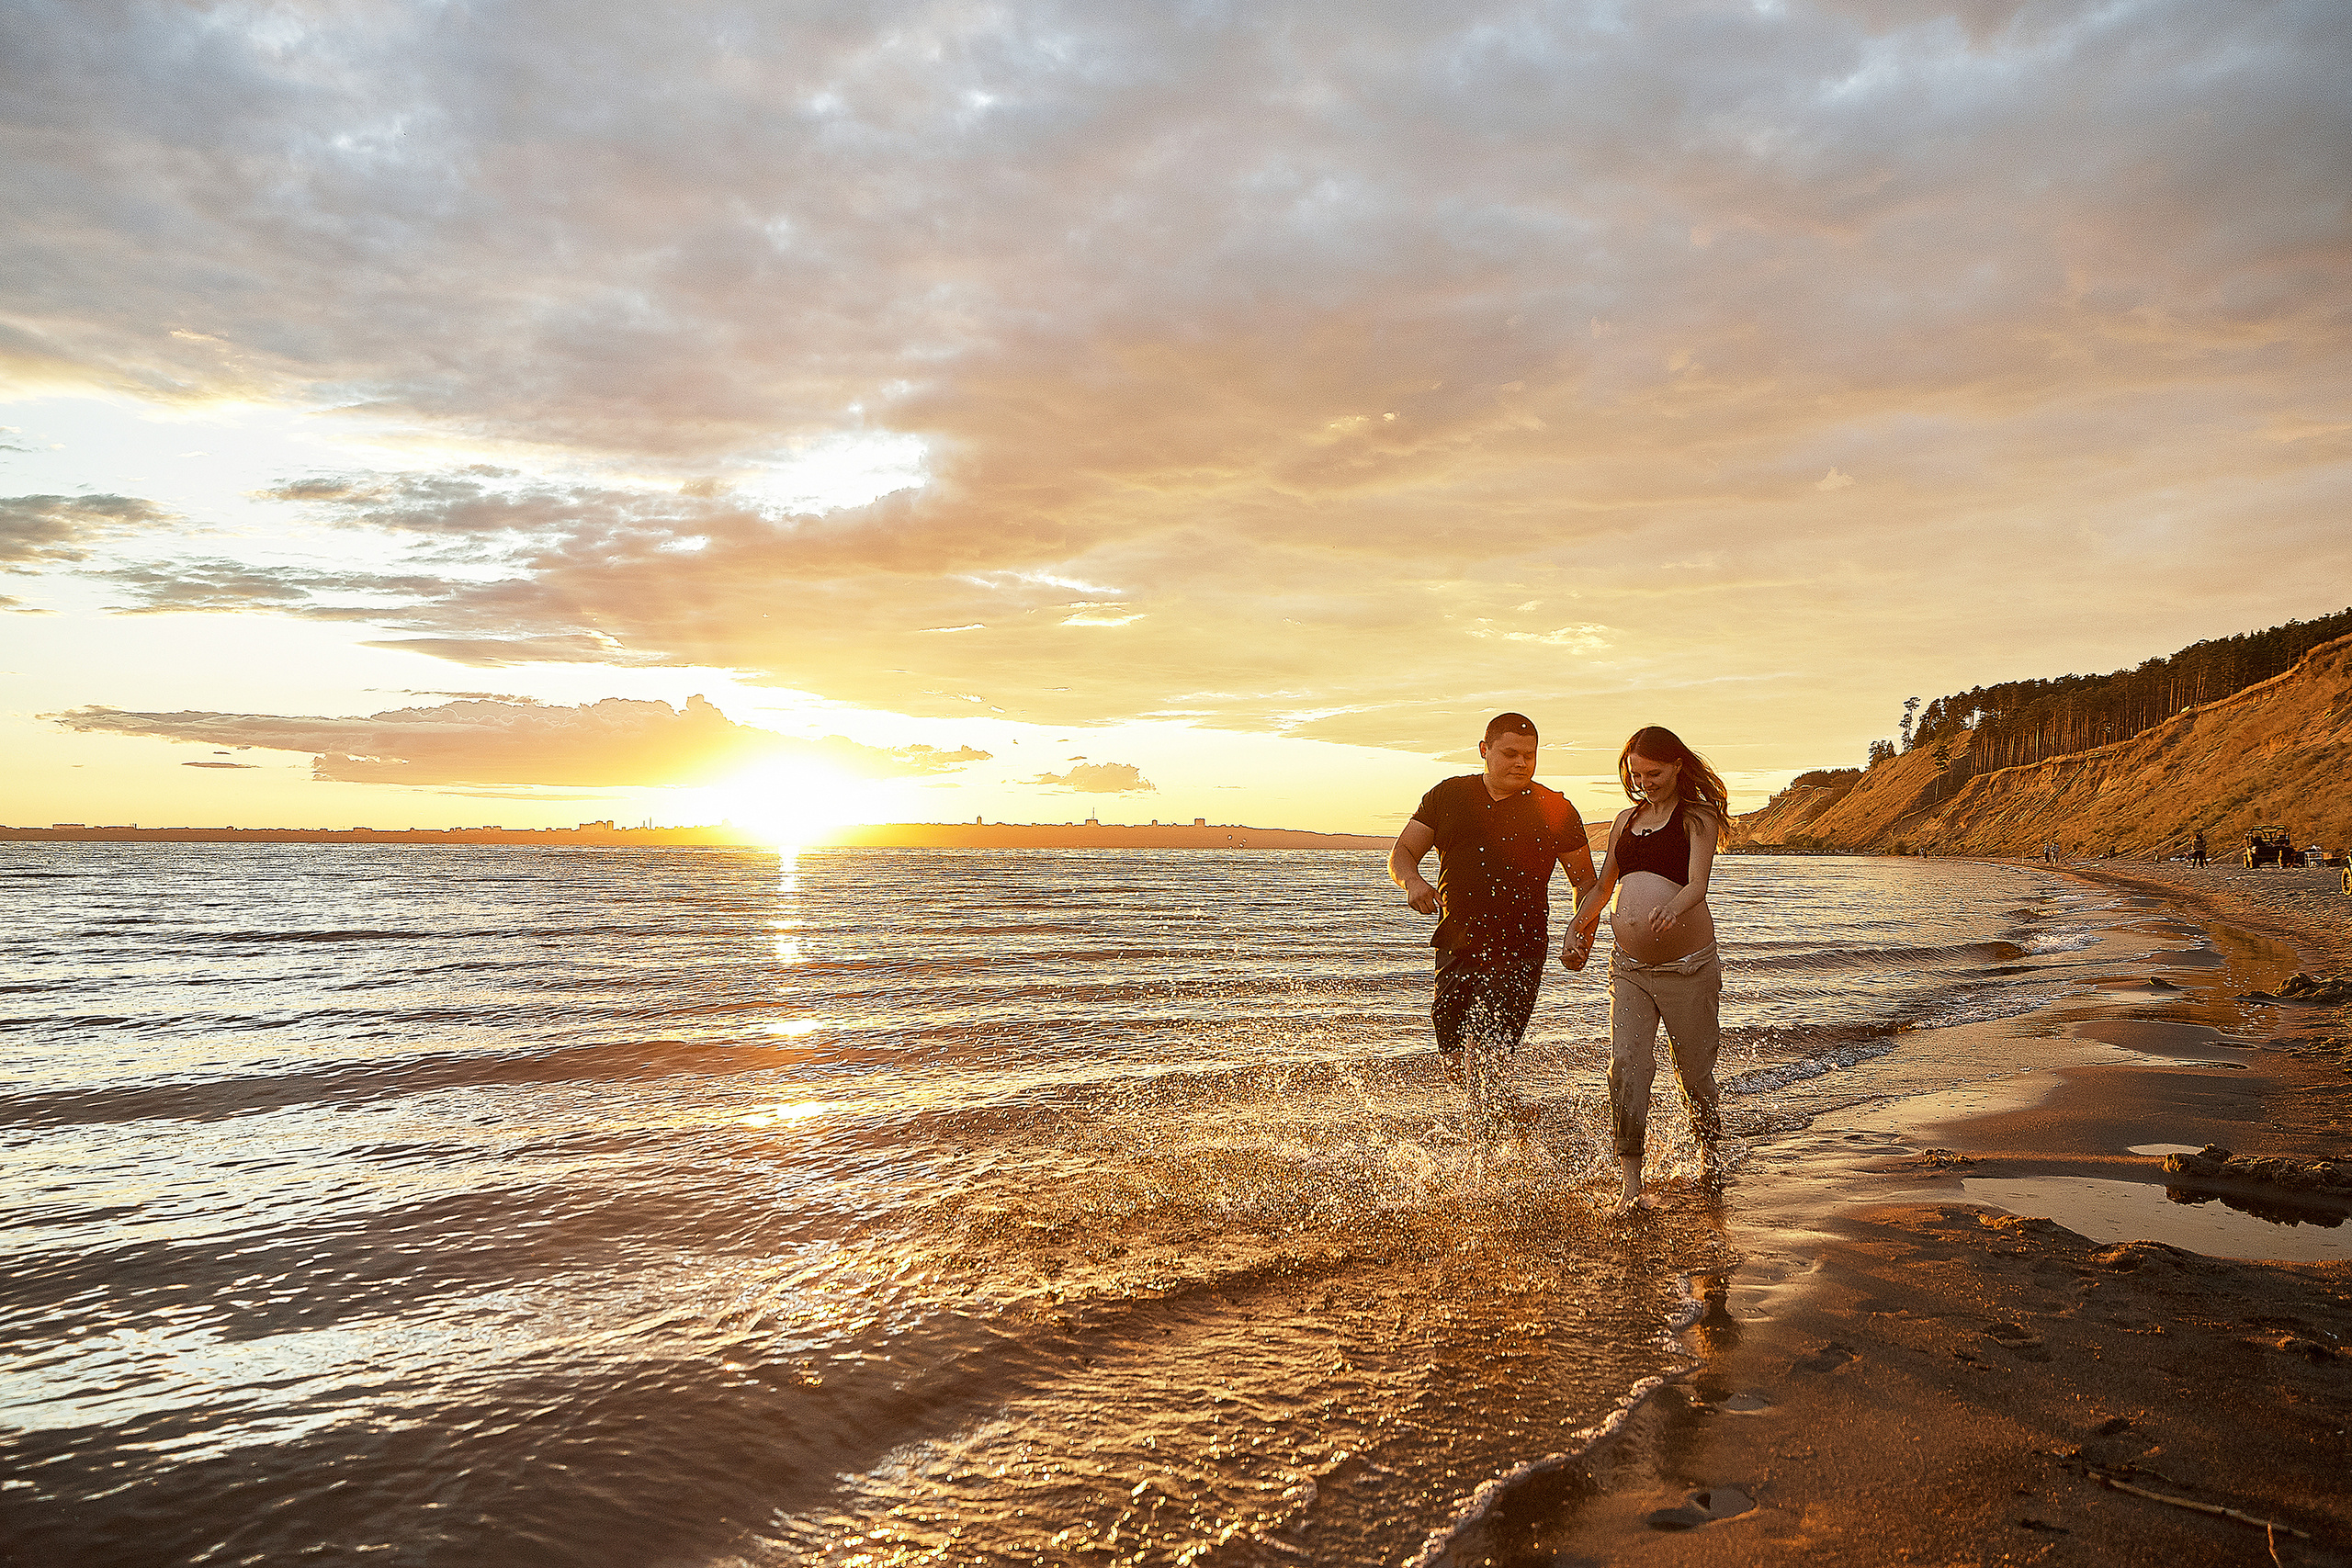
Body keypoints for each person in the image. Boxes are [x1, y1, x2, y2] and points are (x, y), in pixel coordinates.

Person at [1566, 725, 1728, 1213]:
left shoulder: (1697, 819)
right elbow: (1602, 888)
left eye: (1653, 773)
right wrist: (1579, 925)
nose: (1644, 782)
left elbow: (1697, 885)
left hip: (1687, 967)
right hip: (1630, 968)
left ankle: (1709, 1156)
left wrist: (1673, 909)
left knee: (1694, 1074)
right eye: (1636, 774)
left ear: (1678, 765)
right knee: (1627, 1068)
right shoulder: (1624, 821)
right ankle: (1631, 1182)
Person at [1389, 712, 1597, 1077]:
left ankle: (1495, 1129)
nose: (1521, 763)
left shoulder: (1555, 809)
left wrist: (1581, 932)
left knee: (1490, 1059)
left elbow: (1585, 881)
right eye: (1510, 753)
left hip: (1520, 949)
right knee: (1453, 1061)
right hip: (1456, 943)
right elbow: (1402, 852)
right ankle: (1496, 1128)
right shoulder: (1448, 795)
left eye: (1529, 755)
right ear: (1485, 750)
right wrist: (1413, 883)